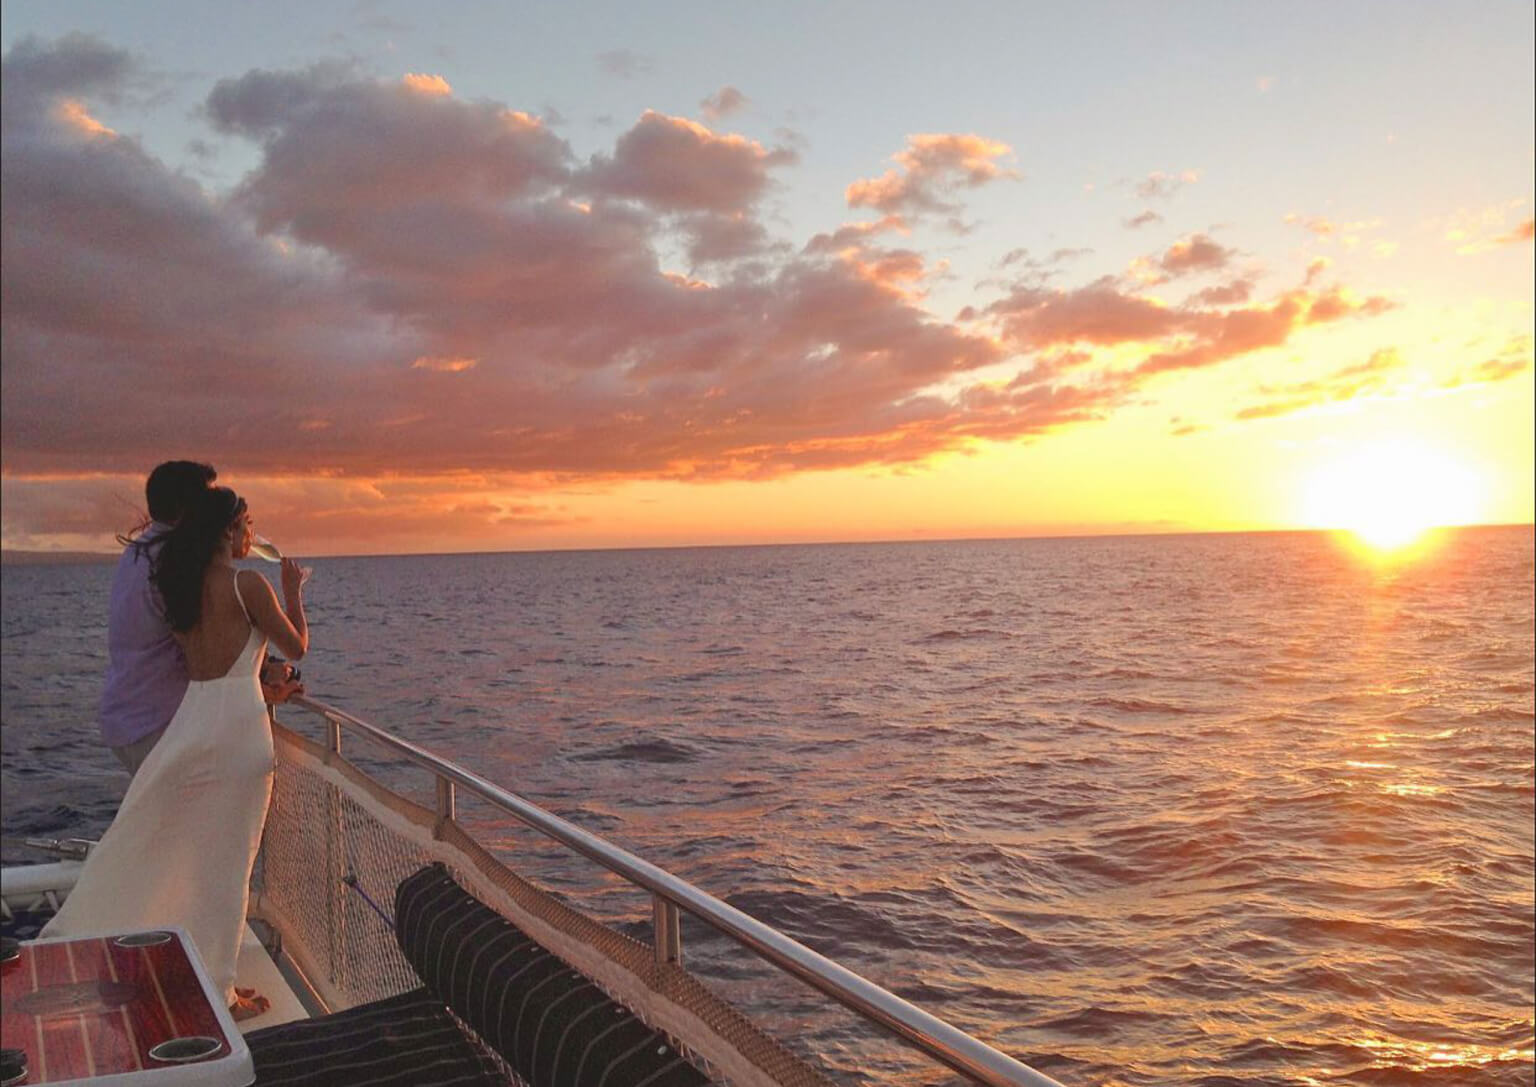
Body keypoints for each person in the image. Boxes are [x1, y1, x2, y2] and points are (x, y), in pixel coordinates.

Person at [43, 487, 308, 1021]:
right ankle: (221, 990)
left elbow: (202, 662)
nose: (251, 535)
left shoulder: (180, 586)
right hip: (237, 732)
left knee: (168, 840)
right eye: (247, 524)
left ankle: (171, 956)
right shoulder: (250, 584)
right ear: (228, 531)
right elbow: (296, 646)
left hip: (192, 722)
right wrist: (293, 590)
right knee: (228, 863)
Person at [100, 460, 217, 775]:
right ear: (185, 508)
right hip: (157, 724)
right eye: (207, 501)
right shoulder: (172, 559)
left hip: (125, 718)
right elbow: (199, 645)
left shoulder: (138, 551)